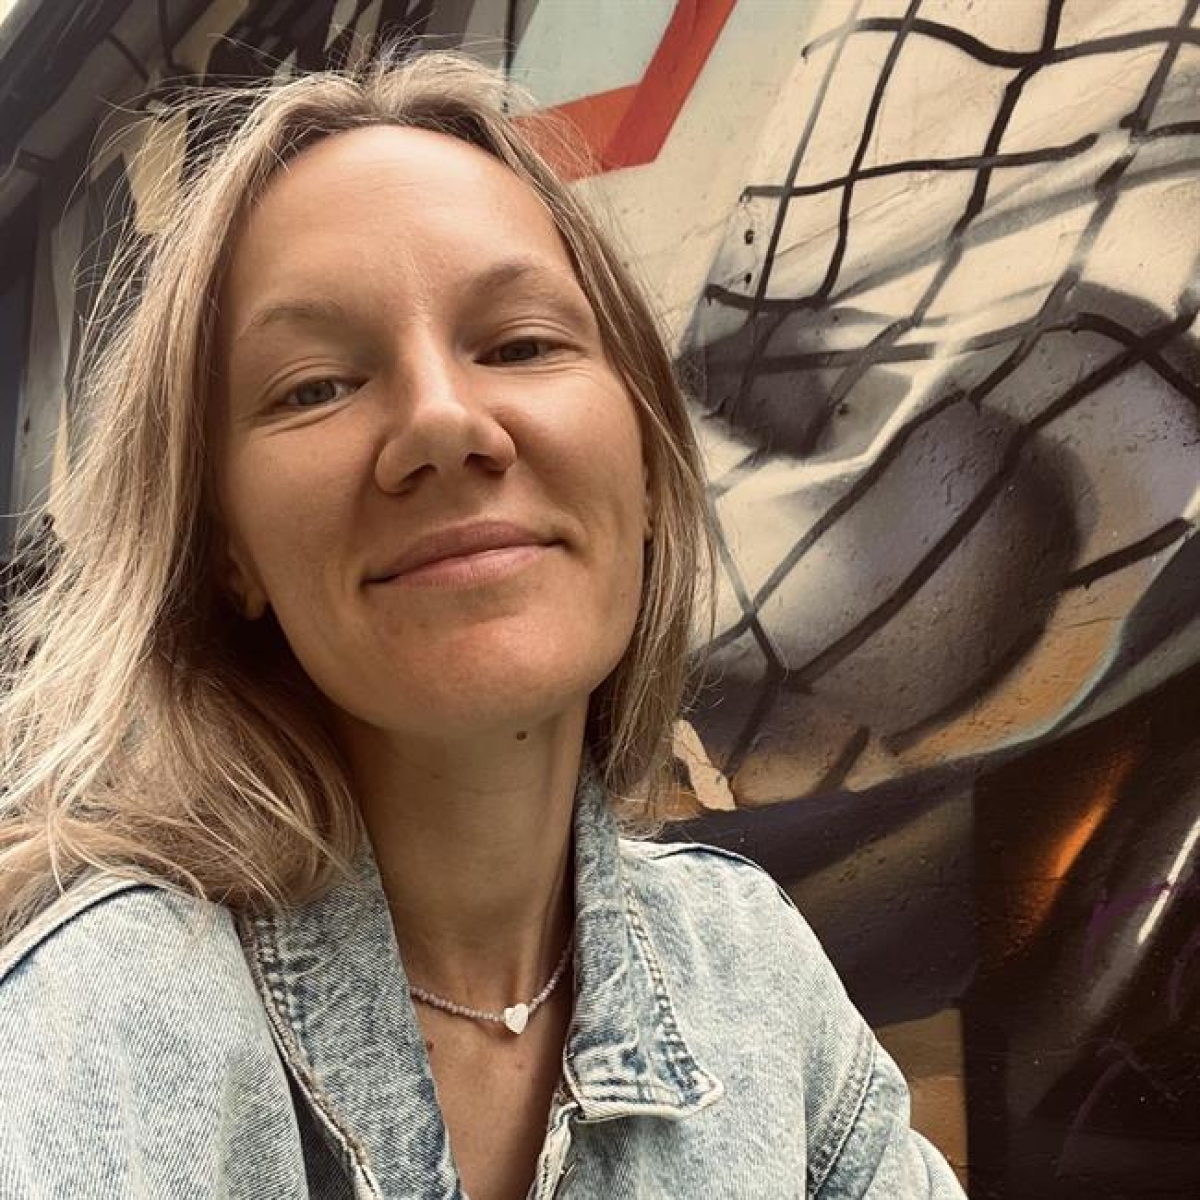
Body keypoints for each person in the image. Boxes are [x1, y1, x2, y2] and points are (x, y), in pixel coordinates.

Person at [0, 50, 966, 1199]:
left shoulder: (750, 970)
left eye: (520, 345)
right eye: (314, 385)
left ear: (645, 465)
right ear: (227, 550)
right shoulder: (100, 1026)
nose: (445, 422)